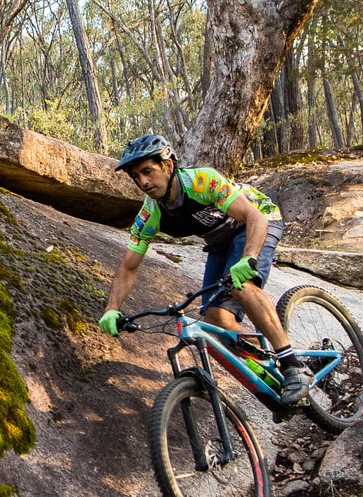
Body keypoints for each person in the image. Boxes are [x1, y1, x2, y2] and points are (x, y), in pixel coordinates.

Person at [95, 133, 311, 405]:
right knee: (216, 318)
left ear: (168, 165)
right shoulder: (149, 215)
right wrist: (111, 308)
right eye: (136, 176)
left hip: (256, 221)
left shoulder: (202, 181)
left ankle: (293, 365)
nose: (143, 182)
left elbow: (253, 217)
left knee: (241, 285)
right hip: (219, 241)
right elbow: (127, 269)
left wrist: (249, 257)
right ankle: (270, 373)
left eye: (147, 172)